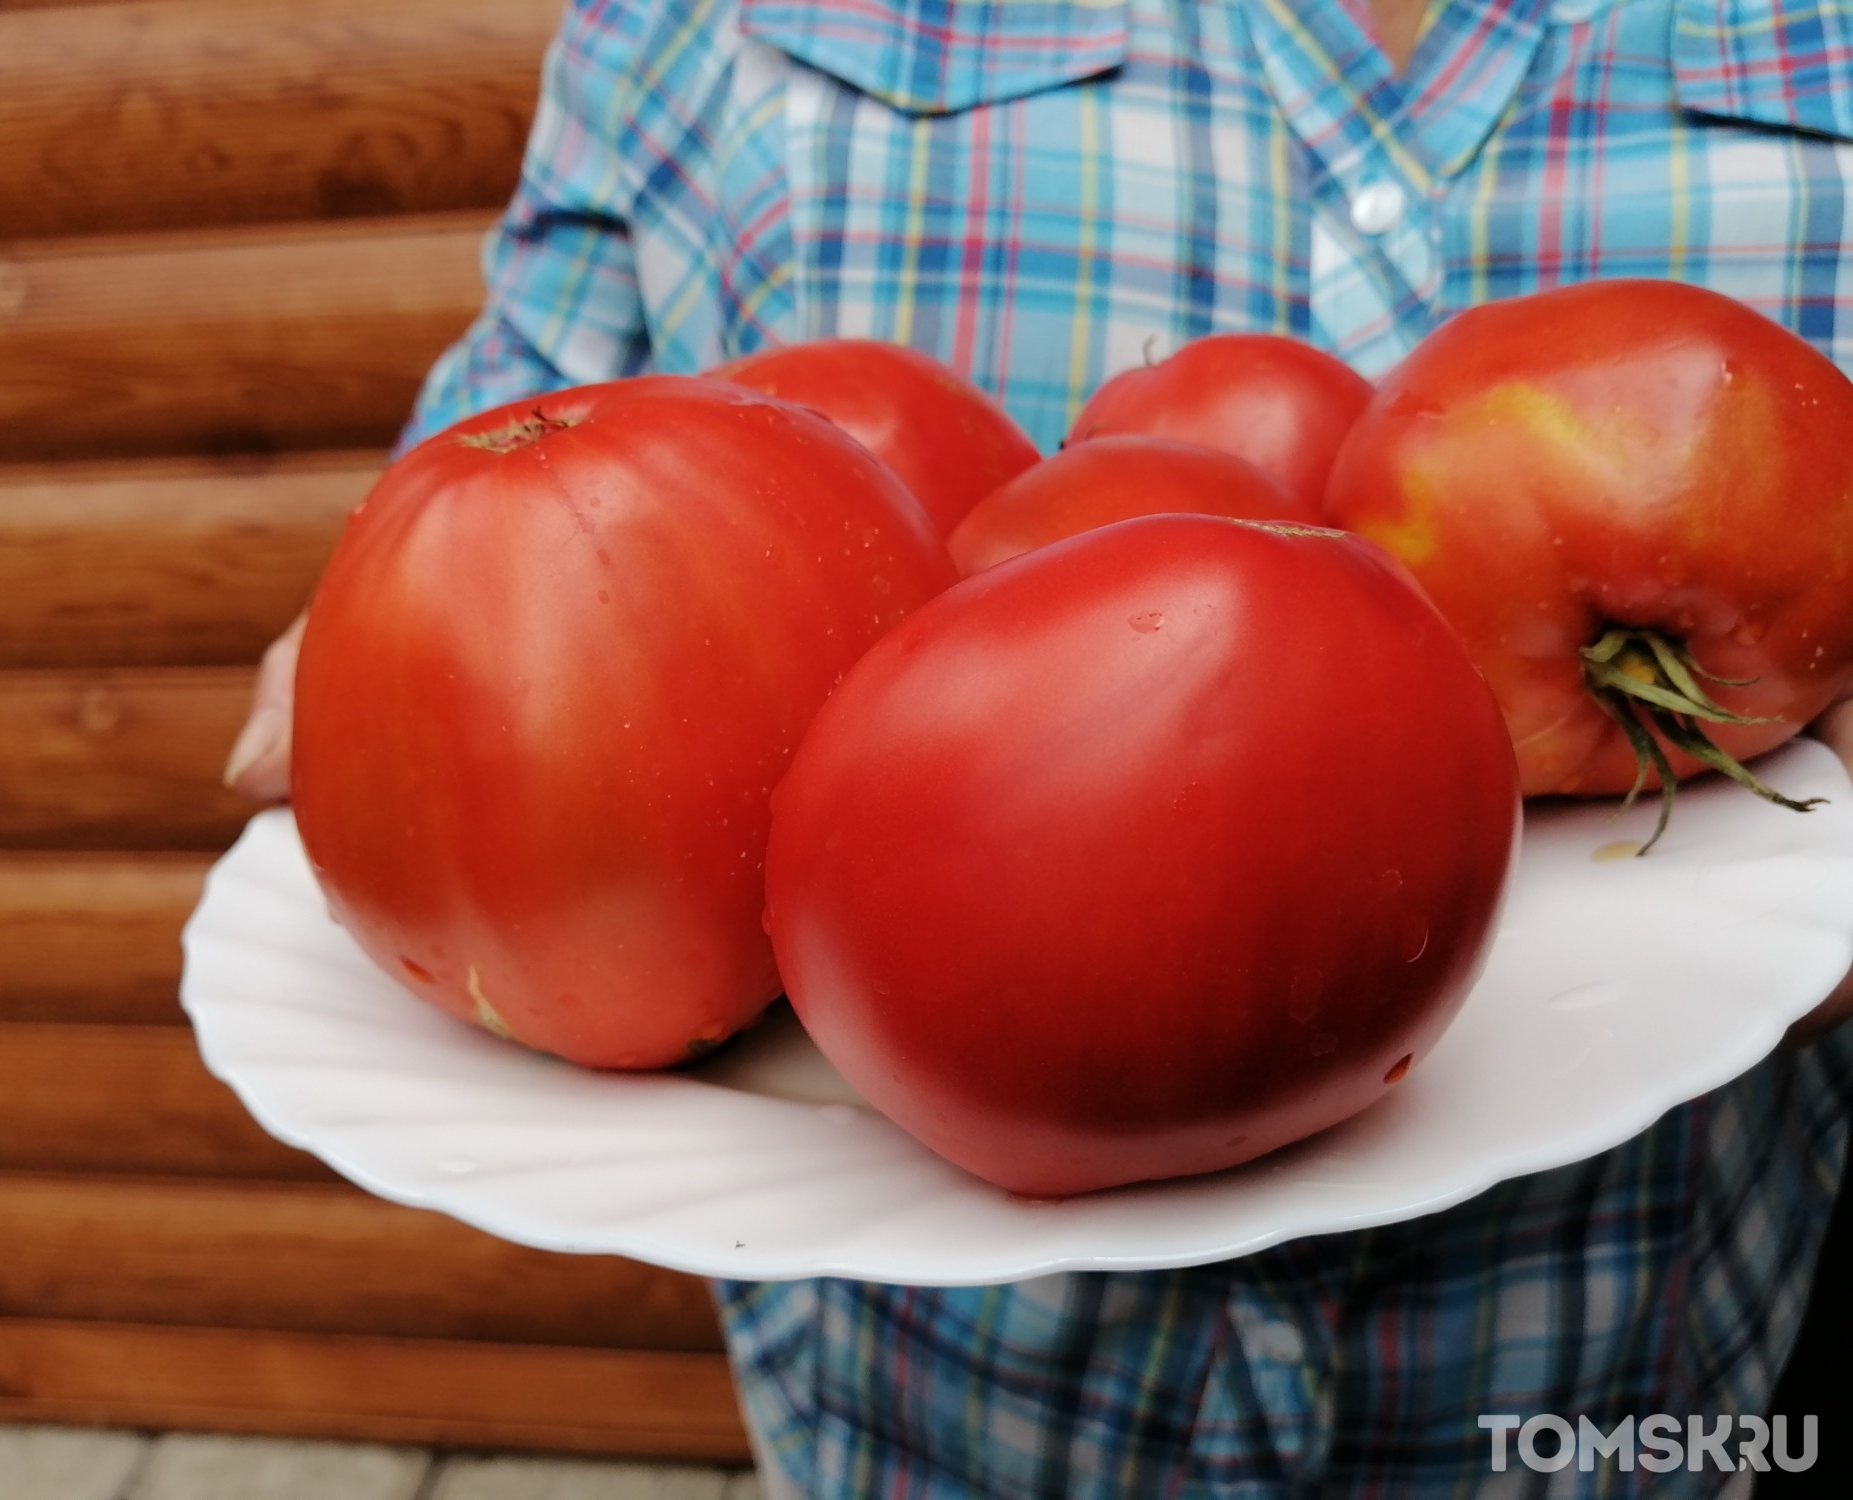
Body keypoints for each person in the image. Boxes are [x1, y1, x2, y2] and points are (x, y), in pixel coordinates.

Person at [224, 0, 1853, 1491]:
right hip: (931, 1417)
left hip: (1635, 1378)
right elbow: (528, 449)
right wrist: (406, 654)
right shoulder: (680, 21)